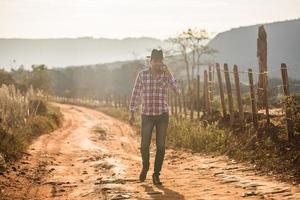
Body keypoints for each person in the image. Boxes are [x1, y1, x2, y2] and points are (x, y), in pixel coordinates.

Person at [128, 49, 181, 185]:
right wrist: (132, 112)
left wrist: (169, 74)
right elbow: (135, 93)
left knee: (161, 146)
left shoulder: (165, 76)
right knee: (144, 145)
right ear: (150, 61)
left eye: (160, 61)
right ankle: (145, 166)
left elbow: (177, 92)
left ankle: (156, 175)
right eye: (155, 61)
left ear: (162, 62)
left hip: (162, 115)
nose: (157, 63)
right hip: (147, 115)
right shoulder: (142, 75)